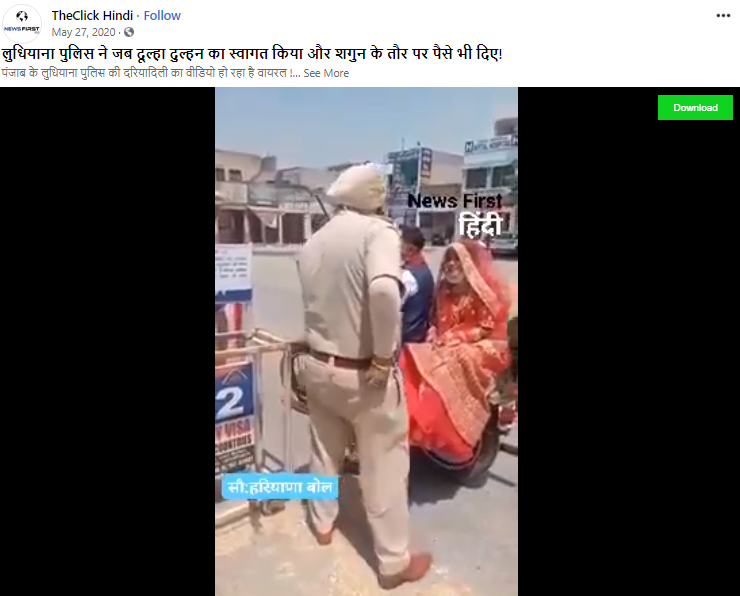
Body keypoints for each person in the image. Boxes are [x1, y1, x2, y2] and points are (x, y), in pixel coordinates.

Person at [297, 164, 432, 590]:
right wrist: (381, 358)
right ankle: (392, 564)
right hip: (362, 376)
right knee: (385, 468)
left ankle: (322, 523)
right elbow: (383, 290)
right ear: (374, 196)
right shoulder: (378, 233)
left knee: (324, 451)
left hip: (318, 365)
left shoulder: (315, 240)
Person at [399, 240, 512, 463]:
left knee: (456, 359)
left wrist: (455, 337)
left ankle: (449, 428)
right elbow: (435, 320)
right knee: (410, 355)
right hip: (447, 344)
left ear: (467, 263)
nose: (451, 264)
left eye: (457, 260)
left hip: (483, 345)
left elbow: (486, 326)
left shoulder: (480, 291)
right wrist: (434, 333)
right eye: (448, 259)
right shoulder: (443, 289)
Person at [399, 226, 435, 345]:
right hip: (420, 336)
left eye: (399, 244)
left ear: (410, 249)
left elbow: (390, 307)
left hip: (407, 340)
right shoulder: (424, 268)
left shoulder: (407, 277)